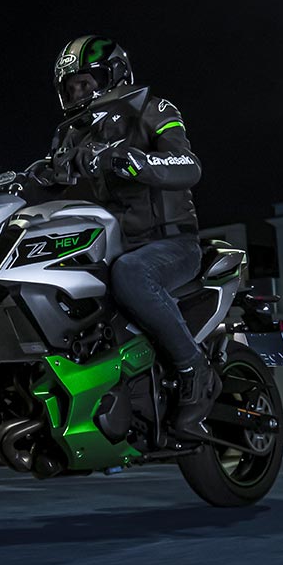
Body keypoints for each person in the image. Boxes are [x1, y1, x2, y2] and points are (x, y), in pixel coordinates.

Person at [43, 34, 220, 439]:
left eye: (85, 83)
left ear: (114, 77)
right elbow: (54, 175)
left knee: (131, 274)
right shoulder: (76, 136)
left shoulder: (154, 109)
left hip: (172, 244)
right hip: (117, 246)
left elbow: (187, 164)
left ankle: (194, 367)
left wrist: (137, 161)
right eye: (71, 87)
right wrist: (28, 178)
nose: (78, 93)